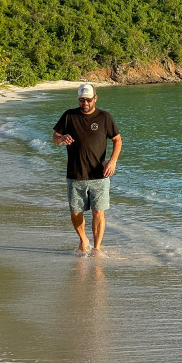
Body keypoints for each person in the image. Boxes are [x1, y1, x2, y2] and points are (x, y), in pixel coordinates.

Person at [52, 84, 122, 254]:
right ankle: (83, 240)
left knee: (99, 212)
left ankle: (97, 248)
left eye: (88, 100)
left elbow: (117, 140)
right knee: (76, 212)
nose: (85, 103)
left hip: (99, 175)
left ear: (95, 99)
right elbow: (54, 137)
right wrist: (62, 138)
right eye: (82, 100)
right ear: (78, 100)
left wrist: (112, 162)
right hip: (75, 174)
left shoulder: (105, 117)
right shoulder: (69, 115)